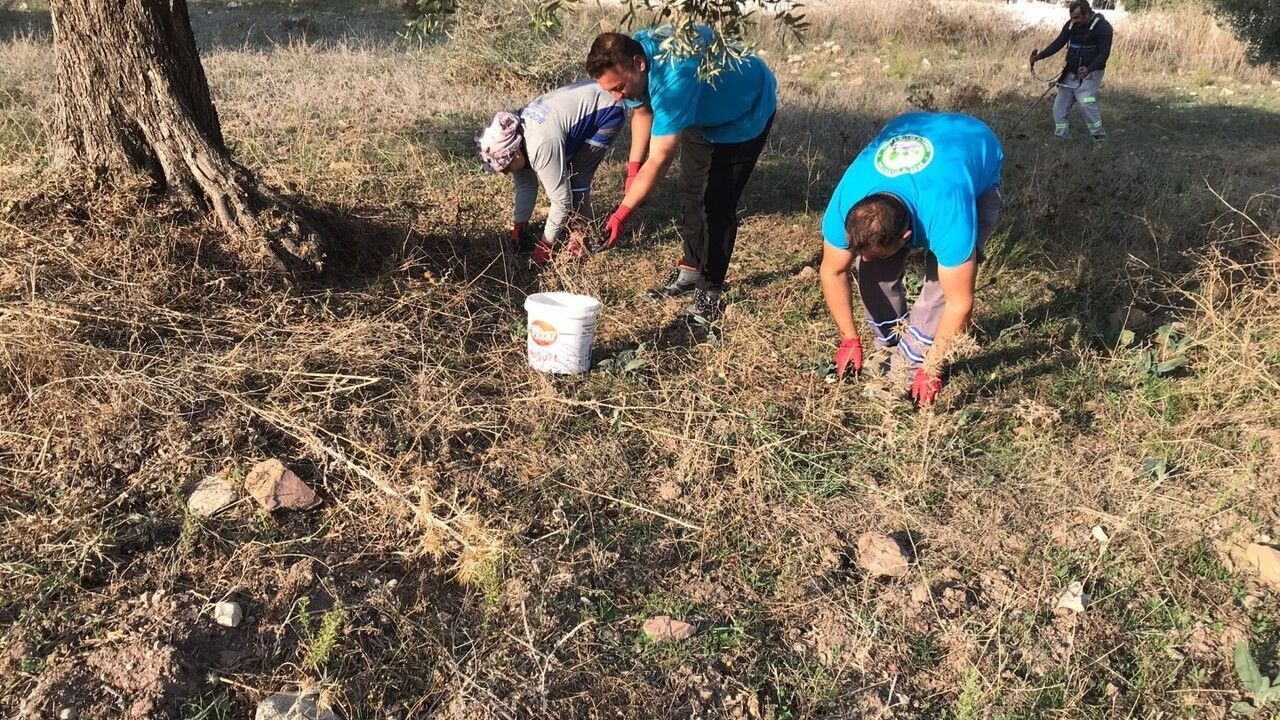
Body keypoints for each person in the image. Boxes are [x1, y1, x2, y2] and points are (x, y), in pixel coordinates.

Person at [585, 27, 777, 322]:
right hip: (704, 113)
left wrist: (621, 215)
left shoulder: (675, 81)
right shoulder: (634, 56)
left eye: (619, 87)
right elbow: (643, 112)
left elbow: (661, 157)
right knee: (691, 189)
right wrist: (633, 171)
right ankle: (690, 269)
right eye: (610, 89)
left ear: (639, 63)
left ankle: (710, 290)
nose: (617, 97)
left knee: (716, 202)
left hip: (745, 111)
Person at [819, 112, 1003, 407]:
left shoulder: (948, 216)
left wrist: (932, 367)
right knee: (873, 267)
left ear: (907, 239)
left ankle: (910, 364)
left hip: (972, 145)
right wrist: (848, 338)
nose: (862, 257)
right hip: (915, 127)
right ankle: (890, 341)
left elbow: (959, 302)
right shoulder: (845, 204)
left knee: (939, 287)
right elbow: (832, 272)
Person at [477, 78, 626, 265]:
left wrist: (546, 244)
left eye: (506, 168)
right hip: (580, 107)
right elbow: (525, 185)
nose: (506, 173)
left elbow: (562, 200)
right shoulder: (515, 140)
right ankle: (575, 231)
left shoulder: (540, 146)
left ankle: (581, 238)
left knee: (576, 179)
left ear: (514, 154)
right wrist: (519, 225)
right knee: (565, 173)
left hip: (608, 108)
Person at [1030, 0, 1113, 141]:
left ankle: (1098, 136)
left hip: (1092, 72)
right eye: (1072, 18)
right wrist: (1039, 56)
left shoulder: (1103, 28)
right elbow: (1058, 43)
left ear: (1087, 13)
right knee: (1059, 107)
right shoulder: (1070, 25)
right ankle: (1062, 137)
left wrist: (1089, 69)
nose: (1074, 21)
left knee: (1086, 101)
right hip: (1071, 72)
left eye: (1077, 18)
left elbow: (1104, 54)